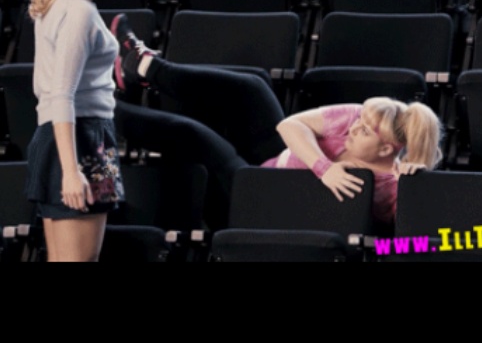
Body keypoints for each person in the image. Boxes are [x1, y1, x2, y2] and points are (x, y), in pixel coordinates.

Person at [111, 15, 443, 226]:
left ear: (387, 148)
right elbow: (289, 126)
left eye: (365, 130)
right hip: (275, 157)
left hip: (259, 196)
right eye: (360, 120)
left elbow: (415, 244)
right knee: (252, 88)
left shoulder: (393, 189)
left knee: (195, 136)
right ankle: (144, 66)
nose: (354, 127)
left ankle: (98, 110)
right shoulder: (360, 116)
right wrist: (324, 168)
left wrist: (418, 188)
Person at [25, 0, 127, 262]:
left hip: (64, 135)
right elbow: (62, 94)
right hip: (80, 139)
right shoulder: (79, 11)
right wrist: (71, 171)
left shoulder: (61, 4)